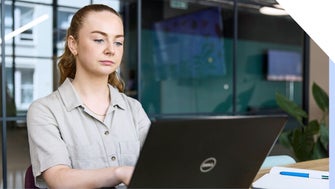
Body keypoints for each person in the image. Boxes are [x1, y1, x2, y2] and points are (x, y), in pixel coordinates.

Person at [26, 4, 151, 189]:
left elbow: (159, 164)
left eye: (118, 42)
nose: (111, 50)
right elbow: (59, 179)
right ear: (73, 44)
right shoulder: (45, 110)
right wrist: (119, 173)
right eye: (99, 40)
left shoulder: (134, 109)